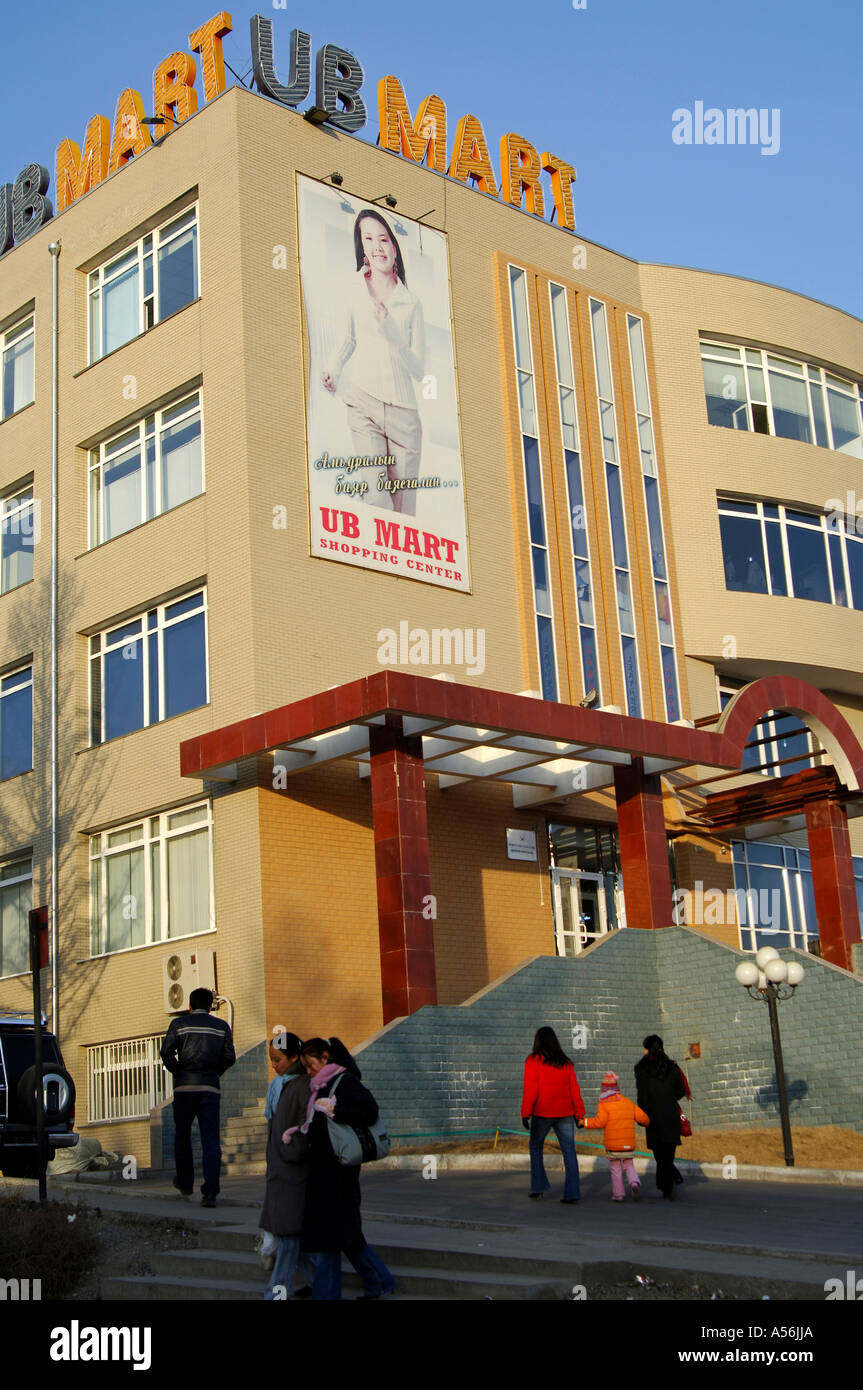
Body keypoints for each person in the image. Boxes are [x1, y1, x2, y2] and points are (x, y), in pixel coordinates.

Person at [321, 209, 426, 516]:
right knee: (375, 500)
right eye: (369, 239)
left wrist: (392, 330)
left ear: (394, 247)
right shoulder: (353, 289)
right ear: (362, 247)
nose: (377, 246)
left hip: (404, 416)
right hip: (362, 401)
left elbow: (419, 369)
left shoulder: (411, 303)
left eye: (383, 239)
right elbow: (347, 339)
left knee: (403, 511)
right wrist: (333, 369)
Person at [296, 1036, 395, 1300]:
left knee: (331, 1241)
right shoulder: (322, 1085)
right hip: (325, 1173)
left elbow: (369, 1111)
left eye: (310, 1065)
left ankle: (329, 1294)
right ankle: (380, 1282)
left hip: (337, 1174)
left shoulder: (345, 1082)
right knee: (346, 1237)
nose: (308, 1071)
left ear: (325, 1058)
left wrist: (335, 1110)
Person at [160, 987, 235, 1208]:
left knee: (182, 1136)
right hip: (209, 1088)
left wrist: (179, 1072)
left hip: (184, 1088)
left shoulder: (179, 1025)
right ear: (211, 1006)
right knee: (210, 1140)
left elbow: (166, 1052)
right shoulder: (222, 1026)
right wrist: (214, 1073)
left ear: (190, 1006)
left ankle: (185, 1182)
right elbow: (229, 1057)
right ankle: (210, 1192)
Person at [259, 1031, 318, 1300]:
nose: (274, 1064)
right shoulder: (281, 1085)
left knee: (289, 1234)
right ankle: (321, 1281)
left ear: (294, 1057)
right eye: (272, 1059)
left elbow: (307, 1128)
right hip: (281, 1170)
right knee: (289, 1234)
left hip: (293, 1172)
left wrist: (290, 1151)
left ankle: (276, 1291)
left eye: (278, 1059)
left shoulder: (302, 1087)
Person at [521, 1026, 585, 1203]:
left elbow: (530, 1090)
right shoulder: (566, 1062)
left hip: (542, 1112)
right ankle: (573, 1193)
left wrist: (525, 1113)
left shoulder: (533, 1061)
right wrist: (579, 1113)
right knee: (569, 1151)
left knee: (535, 1147)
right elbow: (574, 1090)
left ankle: (538, 1187)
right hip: (565, 1112)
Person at [582, 1071, 650, 1202]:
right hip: (628, 1145)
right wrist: (647, 1123)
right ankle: (634, 1183)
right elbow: (643, 1118)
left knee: (615, 1168)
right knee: (629, 1165)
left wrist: (584, 1122)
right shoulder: (628, 1102)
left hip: (613, 1146)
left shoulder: (604, 1105)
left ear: (604, 1090)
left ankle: (618, 1194)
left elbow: (599, 1122)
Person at [634, 1034, 687, 1200]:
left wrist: (641, 1114)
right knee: (668, 1152)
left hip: (652, 1115)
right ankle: (668, 1184)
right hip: (670, 1113)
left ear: (647, 1049)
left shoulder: (641, 1068)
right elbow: (680, 1090)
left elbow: (641, 1094)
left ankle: (668, 1182)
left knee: (659, 1153)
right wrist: (669, 1099)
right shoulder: (671, 1066)